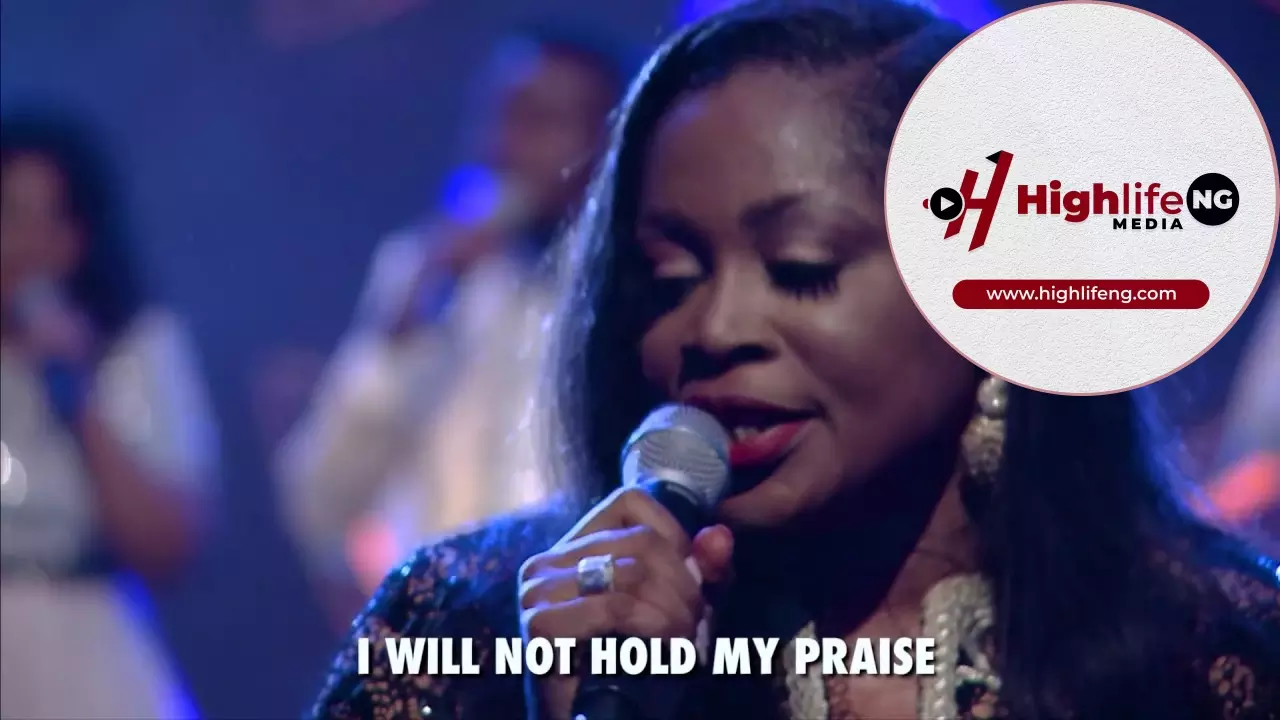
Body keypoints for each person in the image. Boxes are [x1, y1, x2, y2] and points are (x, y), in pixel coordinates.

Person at [310, 2, 1279, 718]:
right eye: (668, 277)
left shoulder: (1209, 648)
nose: (714, 326)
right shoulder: (460, 627)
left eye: (801, 267)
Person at [275, 31, 623, 621]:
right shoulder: (424, 274)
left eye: (541, 122)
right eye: (499, 118)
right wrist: (401, 338)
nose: (506, 147)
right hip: (441, 639)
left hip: (580, 631)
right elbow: (321, 501)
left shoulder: (631, 288)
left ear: (609, 140)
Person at [0, 108, 217, 718]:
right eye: (6, 215)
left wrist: (78, 400)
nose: (21, 244)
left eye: (46, 220)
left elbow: (168, 546)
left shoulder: (132, 350)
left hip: (86, 663)